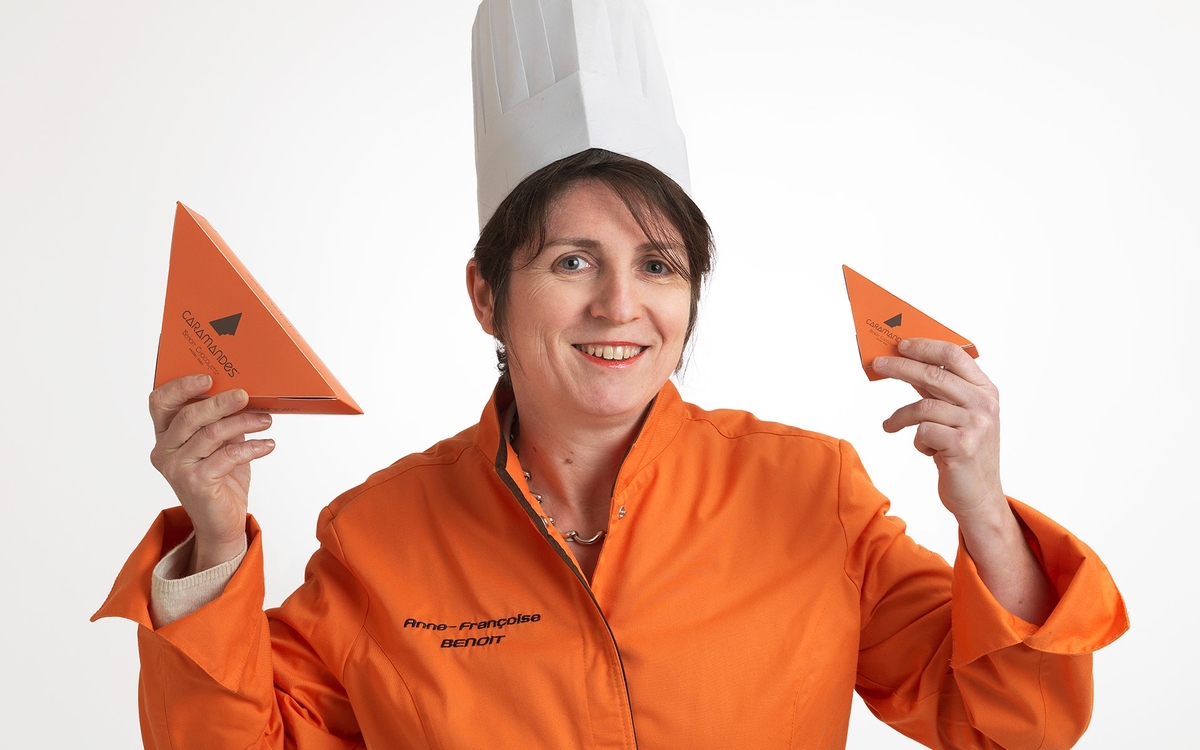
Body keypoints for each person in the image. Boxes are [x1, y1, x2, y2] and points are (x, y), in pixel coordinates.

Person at [95, 2, 1128, 748]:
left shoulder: (813, 496)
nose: (619, 306)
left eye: (659, 265)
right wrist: (217, 543)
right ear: (487, 295)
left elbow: (1012, 726)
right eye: (572, 262)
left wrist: (983, 509)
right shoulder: (379, 539)